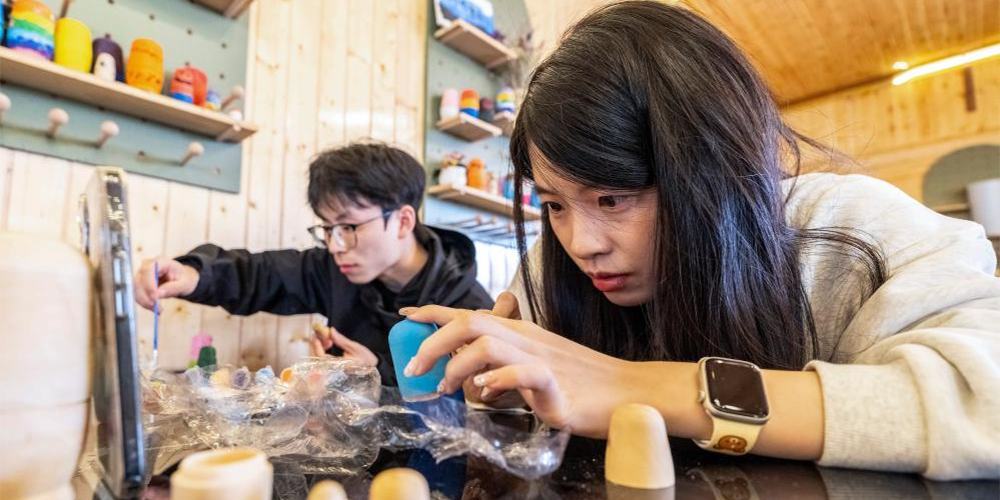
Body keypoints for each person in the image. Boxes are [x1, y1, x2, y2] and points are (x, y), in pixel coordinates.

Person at [399, 1, 1000, 480]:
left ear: (716, 165)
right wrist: (503, 402)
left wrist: (632, 386)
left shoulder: (853, 227)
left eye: (613, 198)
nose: (582, 245)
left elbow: (986, 405)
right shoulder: (546, 267)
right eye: (554, 205)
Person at [134, 142, 494, 384]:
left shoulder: (472, 310)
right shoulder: (335, 269)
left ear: (402, 221)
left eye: (349, 227)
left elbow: (478, 412)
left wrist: (377, 373)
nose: (335, 246)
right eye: (328, 229)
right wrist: (195, 273)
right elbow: (261, 274)